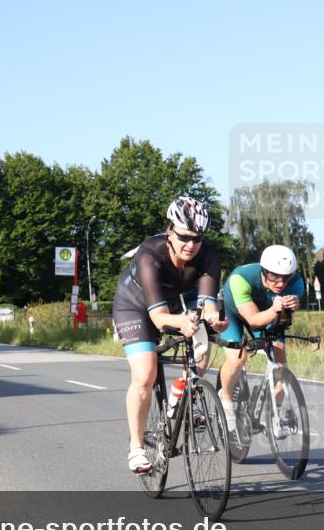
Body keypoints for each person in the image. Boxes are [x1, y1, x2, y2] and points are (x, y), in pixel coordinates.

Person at [113, 196, 228, 473]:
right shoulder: (149, 254)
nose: (191, 245)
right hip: (136, 307)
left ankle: (183, 394)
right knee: (145, 374)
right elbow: (159, 318)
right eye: (184, 237)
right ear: (169, 231)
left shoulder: (208, 254)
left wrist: (211, 317)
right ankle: (137, 449)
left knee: (201, 342)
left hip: (176, 301)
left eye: (197, 239)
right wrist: (181, 322)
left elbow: (207, 302)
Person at [217, 245, 304, 436]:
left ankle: (276, 417)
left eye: (286, 277)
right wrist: (274, 309)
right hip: (235, 314)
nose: (280, 282)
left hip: (268, 314)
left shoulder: (297, 282)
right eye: (274, 276)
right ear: (264, 271)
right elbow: (253, 321)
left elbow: (281, 322)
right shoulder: (241, 279)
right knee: (237, 358)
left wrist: (291, 308)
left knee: (281, 367)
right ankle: (226, 397)